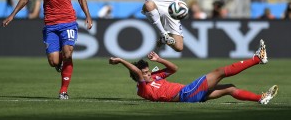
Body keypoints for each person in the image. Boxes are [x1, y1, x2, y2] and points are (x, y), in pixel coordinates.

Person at [2, 0, 93, 100]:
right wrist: (12, 14)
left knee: (68, 52)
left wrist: (88, 16)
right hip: (50, 24)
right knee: (53, 61)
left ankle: (63, 91)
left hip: (68, 21)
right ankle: (59, 64)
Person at [109, 40, 278, 105]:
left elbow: (174, 69)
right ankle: (257, 59)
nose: (146, 74)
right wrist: (121, 60)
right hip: (186, 93)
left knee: (230, 88)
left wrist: (159, 60)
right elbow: (137, 73)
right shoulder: (142, 88)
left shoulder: (154, 77)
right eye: (144, 73)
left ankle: (261, 98)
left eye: (146, 72)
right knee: (219, 72)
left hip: (189, 94)